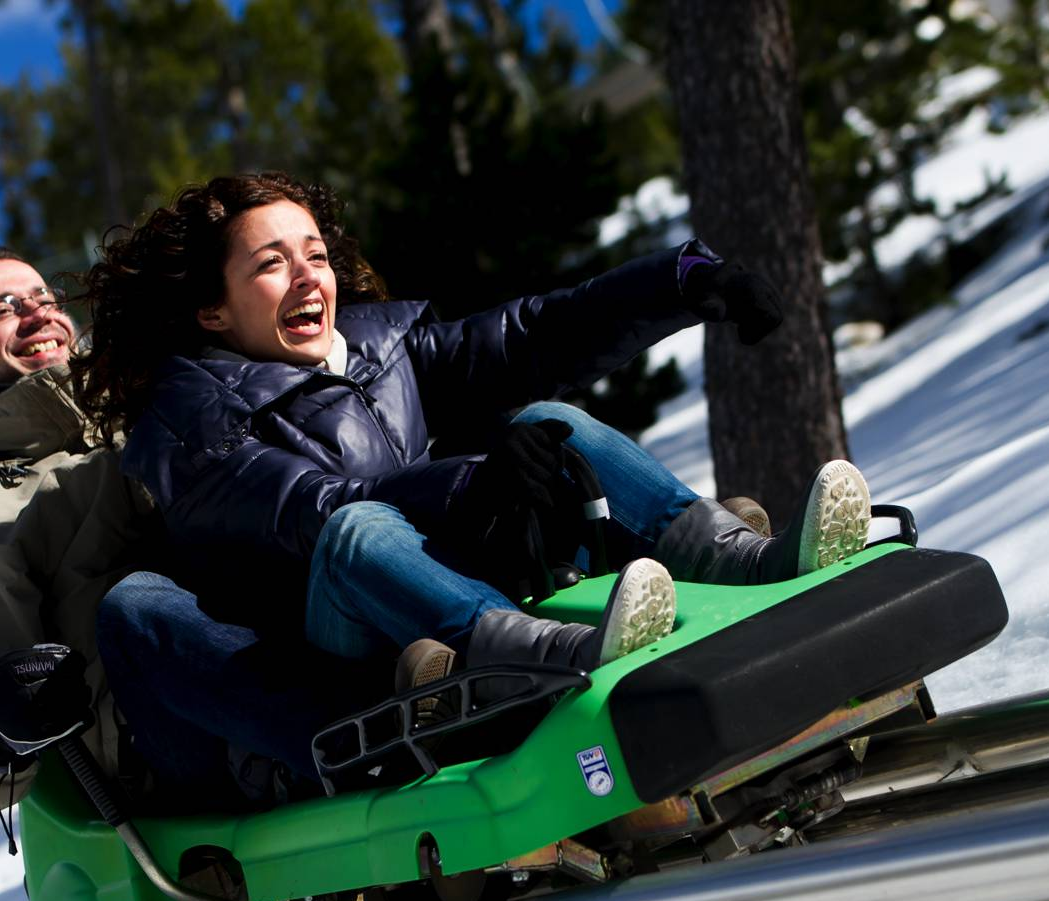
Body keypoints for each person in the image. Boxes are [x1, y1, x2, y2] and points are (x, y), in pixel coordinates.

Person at [75, 172, 872, 685]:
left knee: (546, 419)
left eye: (313, 254)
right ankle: (545, 657)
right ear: (213, 309)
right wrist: (473, 481)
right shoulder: (189, 421)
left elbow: (530, 336)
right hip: (340, 631)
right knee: (356, 528)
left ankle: (745, 559)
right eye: (271, 264)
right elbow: (307, 507)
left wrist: (678, 281)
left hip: (459, 568)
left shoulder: (387, 349)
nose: (308, 275)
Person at [0, 246, 359, 811]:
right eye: (2, 308)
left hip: (290, 641)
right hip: (175, 750)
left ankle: (444, 665)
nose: (39, 313)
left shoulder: (158, 405)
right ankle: (357, 738)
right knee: (138, 606)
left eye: (46, 298)